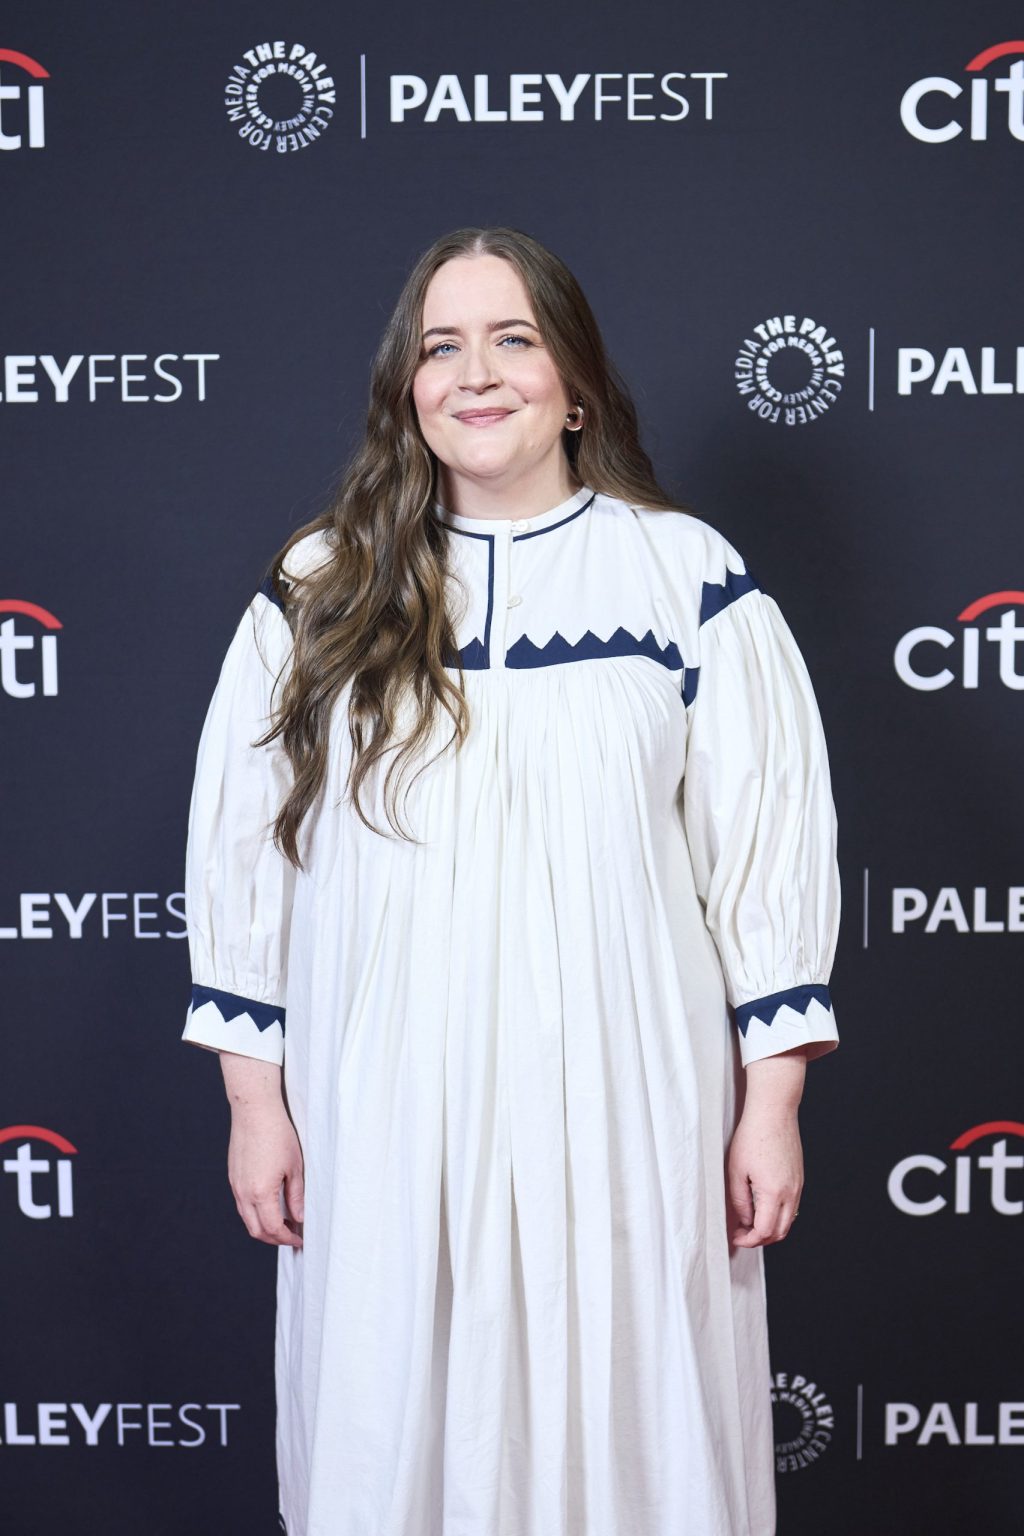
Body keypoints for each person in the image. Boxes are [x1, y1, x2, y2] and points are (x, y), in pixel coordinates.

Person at [181, 225, 841, 1536]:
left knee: (635, 1424)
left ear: (576, 383)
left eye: (512, 339)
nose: (475, 375)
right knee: (392, 1420)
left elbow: (767, 849)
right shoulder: (320, 588)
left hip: (629, 1104)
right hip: (386, 1106)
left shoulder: (686, 579)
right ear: (406, 389)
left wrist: (771, 1105)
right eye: (441, 347)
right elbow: (243, 847)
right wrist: (257, 1101)